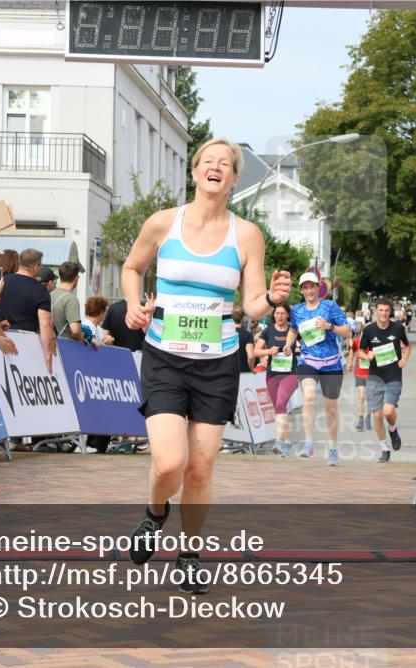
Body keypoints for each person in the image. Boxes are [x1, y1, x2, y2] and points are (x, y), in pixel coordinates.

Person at [121, 137, 291, 594]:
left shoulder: (247, 234)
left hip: (217, 362)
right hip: (164, 356)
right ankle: (156, 513)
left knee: (200, 468)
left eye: (225, 164)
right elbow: (133, 267)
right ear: (195, 172)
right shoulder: (162, 224)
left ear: (234, 179)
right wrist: (135, 304)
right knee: (170, 461)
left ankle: (190, 554)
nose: (215, 168)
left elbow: (252, 303)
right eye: (207, 162)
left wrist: (271, 300)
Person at [283, 272, 351, 465]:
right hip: (308, 361)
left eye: (312, 286)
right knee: (309, 397)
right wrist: (288, 345)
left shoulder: (329, 306)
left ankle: (332, 448)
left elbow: (347, 331)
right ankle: (309, 443)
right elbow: (293, 330)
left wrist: (329, 326)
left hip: (331, 363)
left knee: (331, 408)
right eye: (305, 287)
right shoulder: (297, 310)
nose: (309, 290)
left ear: (318, 287)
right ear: (302, 290)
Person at [359, 298, 412, 462]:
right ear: (376, 311)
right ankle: (384, 448)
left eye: (386, 311)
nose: (383, 313)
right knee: (376, 415)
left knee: (388, 411)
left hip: (393, 375)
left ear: (391, 312)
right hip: (374, 377)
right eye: (380, 310)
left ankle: (393, 429)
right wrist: (366, 356)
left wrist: (405, 358)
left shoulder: (398, 328)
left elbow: (408, 345)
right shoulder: (368, 330)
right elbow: (360, 351)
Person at [0, 248, 55, 371]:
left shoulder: (2, 281)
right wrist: (48, 352)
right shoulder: (40, 290)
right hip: (26, 344)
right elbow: (45, 323)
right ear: (36, 266)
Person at [253, 303, 299, 456]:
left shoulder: (293, 330)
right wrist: (268, 351)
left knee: (280, 403)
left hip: (290, 373)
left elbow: (305, 347)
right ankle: (287, 442)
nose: (280, 316)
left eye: (283, 313)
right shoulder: (268, 331)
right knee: (279, 408)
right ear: (273, 315)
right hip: (273, 374)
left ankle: (278, 441)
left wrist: (295, 351)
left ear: (287, 315)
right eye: (277, 313)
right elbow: (255, 351)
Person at [50, 261, 85, 341]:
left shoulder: (49, 295)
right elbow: (75, 330)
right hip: (66, 346)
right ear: (76, 278)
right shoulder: (71, 299)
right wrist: (82, 338)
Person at [348, 329, 371, 432]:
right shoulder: (357, 341)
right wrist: (350, 362)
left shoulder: (374, 343)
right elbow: (352, 350)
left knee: (370, 397)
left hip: (372, 373)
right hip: (360, 372)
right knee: (361, 396)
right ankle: (360, 419)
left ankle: (368, 418)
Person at [233, 308, 255, 373]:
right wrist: (252, 369)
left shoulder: (225, 334)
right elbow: (250, 357)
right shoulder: (247, 335)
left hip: (227, 373)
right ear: (242, 319)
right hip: (243, 372)